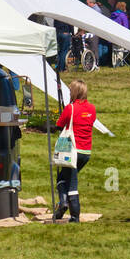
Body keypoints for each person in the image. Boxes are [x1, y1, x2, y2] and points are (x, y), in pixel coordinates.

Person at [54, 79, 96, 222]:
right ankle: (62, 206)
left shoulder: (70, 108)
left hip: (72, 151)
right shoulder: (92, 108)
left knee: (68, 181)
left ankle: (73, 214)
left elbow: (59, 125)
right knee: (66, 178)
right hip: (86, 152)